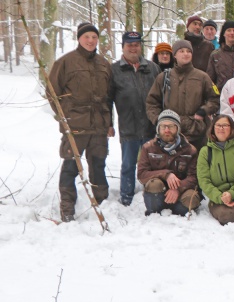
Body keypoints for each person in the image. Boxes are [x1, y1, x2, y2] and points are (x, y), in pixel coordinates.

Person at [48, 22, 112, 222]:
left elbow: (110, 97)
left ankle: (102, 204)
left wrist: (109, 123)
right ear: (79, 38)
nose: (91, 41)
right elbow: (52, 92)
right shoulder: (65, 63)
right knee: (70, 166)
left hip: (99, 125)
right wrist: (65, 116)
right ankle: (67, 208)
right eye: (87, 37)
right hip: (75, 125)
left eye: (94, 37)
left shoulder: (104, 64)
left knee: (99, 165)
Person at [110, 31, 161, 206]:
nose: (133, 48)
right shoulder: (115, 70)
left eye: (136, 45)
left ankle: (153, 194)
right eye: (129, 45)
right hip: (128, 125)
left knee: (153, 162)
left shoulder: (152, 68)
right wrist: (109, 124)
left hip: (150, 125)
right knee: (128, 165)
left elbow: (161, 96)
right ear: (123, 47)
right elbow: (107, 100)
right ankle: (126, 196)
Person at [146, 40, 220, 151]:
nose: (186, 54)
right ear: (174, 55)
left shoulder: (202, 77)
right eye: (181, 51)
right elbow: (152, 102)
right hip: (170, 133)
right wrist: (159, 120)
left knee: (196, 167)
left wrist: (203, 111)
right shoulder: (164, 77)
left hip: (197, 132)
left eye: (188, 51)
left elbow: (215, 99)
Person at [137, 109, 201, 217]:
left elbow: (194, 177)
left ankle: (177, 214)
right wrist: (166, 175)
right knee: (154, 184)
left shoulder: (190, 150)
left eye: (171, 126)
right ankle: (155, 213)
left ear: (178, 128)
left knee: (192, 198)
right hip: (157, 193)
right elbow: (141, 174)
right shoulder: (148, 148)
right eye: (163, 126)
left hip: (181, 193)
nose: (167, 130)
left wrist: (177, 188)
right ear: (158, 128)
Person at [197, 114, 234, 225]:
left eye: (225, 125)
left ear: (232, 128)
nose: (221, 128)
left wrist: (232, 193)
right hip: (219, 196)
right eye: (218, 125)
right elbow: (203, 181)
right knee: (232, 216)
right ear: (213, 128)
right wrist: (220, 197)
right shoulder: (205, 152)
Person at [206, 20, 234, 91]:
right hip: (221, 95)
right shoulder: (215, 55)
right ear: (224, 33)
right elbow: (210, 79)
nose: (232, 33)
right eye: (229, 30)